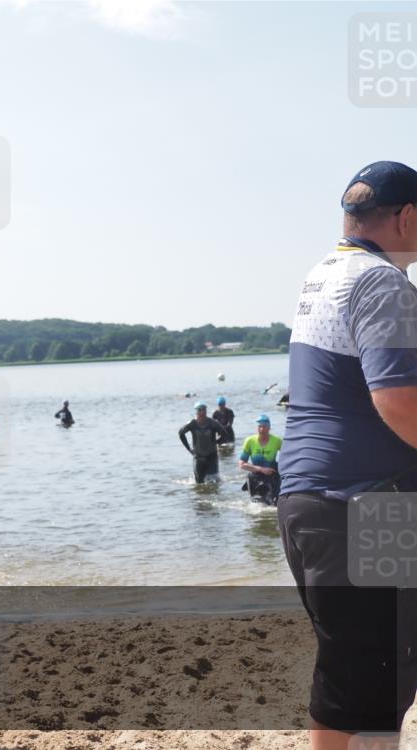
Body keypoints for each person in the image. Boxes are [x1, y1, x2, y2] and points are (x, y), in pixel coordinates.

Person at [279, 161, 417, 745]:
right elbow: (399, 401)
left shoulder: (326, 274)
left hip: (311, 500)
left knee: (360, 678)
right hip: (364, 503)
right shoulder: (382, 282)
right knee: (371, 679)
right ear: (408, 219)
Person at [178, 402, 227, 484]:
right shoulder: (192, 424)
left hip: (212, 457)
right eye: (200, 410)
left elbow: (225, 435)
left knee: (214, 483)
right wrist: (189, 448)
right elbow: (181, 433)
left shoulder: (213, 423)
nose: (202, 412)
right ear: (196, 412)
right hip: (198, 458)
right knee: (199, 483)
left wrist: (216, 442)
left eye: (204, 410)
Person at [238, 414, 282, 504]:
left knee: (274, 504)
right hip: (255, 476)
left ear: (269, 427)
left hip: (271, 476)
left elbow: (289, 454)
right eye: (259, 426)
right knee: (256, 505)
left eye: (264, 426)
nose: (261, 429)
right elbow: (241, 464)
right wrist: (261, 469)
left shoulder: (277, 441)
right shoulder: (250, 441)